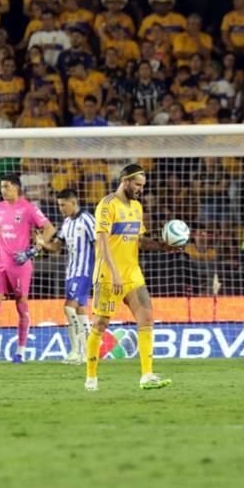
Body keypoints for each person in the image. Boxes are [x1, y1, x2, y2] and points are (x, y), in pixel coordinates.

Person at [85, 164, 172, 391]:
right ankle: (91, 377)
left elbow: (138, 240)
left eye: (143, 186)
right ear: (125, 180)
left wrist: (162, 246)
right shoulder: (107, 205)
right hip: (108, 274)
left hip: (132, 272)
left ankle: (147, 375)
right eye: (137, 184)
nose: (140, 189)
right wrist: (114, 274)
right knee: (101, 323)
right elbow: (102, 242)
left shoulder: (136, 207)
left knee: (146, 317)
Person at [0, 173, 56, 364]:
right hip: (0, 265)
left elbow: (49, 229)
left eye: (6, 187)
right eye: (1, 187)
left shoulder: (29, 208)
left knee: (21, 307)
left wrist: (33, 251)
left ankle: (20, 352)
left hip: (21, 265)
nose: (2, 190)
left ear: (16, 187)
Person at [40, 189, 95, 364]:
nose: (61, 208)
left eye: (63, 205)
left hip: (84, 270)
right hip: (71, 272)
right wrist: (43, 243)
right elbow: (57, 247)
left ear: (73, 202)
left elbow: (99, 242)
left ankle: (76, 351)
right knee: (79, 310)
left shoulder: (87, 219)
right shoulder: (66, 223)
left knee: (68, 308)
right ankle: (87, 352)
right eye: (59, 205)